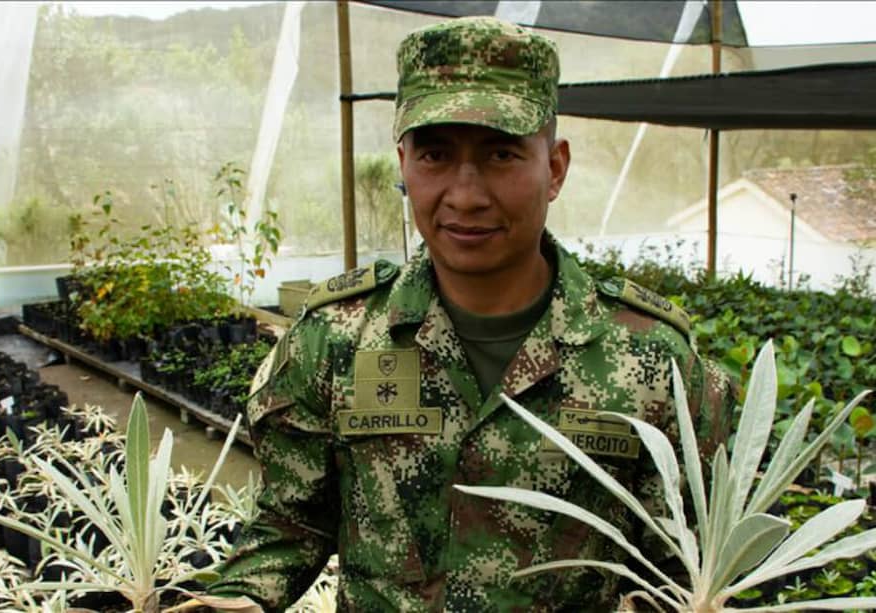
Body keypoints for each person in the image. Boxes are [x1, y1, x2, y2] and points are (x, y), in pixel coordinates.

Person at [209, 16, 735, 611]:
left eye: (501, 155)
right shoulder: (335, 338)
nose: (465, 195)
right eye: (435, 154)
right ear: (403, 162)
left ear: (555, 167)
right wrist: (235, 600)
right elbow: (291, 524)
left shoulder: (650, 359)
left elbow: (686, 564)